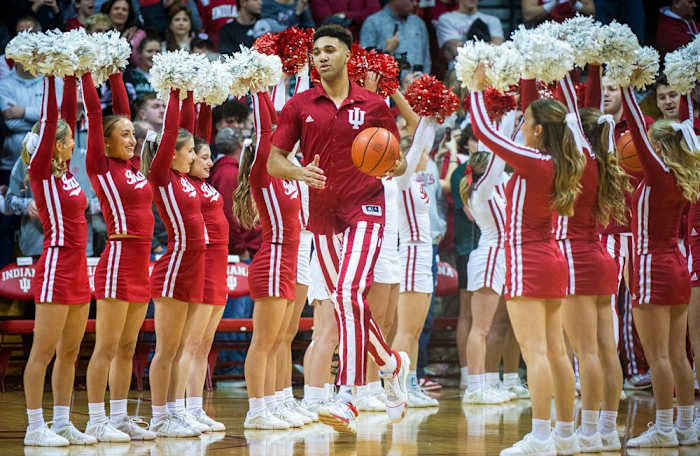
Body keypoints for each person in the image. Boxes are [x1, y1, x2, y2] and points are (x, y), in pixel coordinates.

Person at [268, 24, 410, 433]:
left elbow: (396, 159)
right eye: (316, 51)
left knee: (349, 292)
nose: (322, 56)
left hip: (366, 207)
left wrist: (391, 163)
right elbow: (275, 160)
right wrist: (299, 171)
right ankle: (391, 363)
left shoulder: (373, 104)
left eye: (330, 50)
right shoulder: (298, 105)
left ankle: (346, 394)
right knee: (347, 302)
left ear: (348, 56)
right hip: (323, 215)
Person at [469, 63, 584, 455]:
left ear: (537, 130)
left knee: (536, 352)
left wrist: (474, 85)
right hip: (553, 258)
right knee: (556, 351)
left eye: (525, 120)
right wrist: (528, 77)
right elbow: (530, 113)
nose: (521, 124)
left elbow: (484, 133)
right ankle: (566, 436)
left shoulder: (534, 162)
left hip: (526, 260)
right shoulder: (556, 159)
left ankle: (539, 437)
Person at [620, 83, 700, 448]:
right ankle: (686, 425)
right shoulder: (684, 175)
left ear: (659, 147)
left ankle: (664, 429)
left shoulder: (659, 174)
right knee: (679, 355)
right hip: (678, 265)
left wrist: (623, 84)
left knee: (659, 357)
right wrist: (683, 91)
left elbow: (635, 124)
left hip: (652, 266)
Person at [80, 70, 157, 442]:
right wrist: (92, 74)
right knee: (107, 346)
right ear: (105, 142)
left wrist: (115, 71)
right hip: (118, 260)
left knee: (129, 346)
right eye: (124, 134)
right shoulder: (101, 165)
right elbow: (98, 115)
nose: (132, 139)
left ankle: (119, 416)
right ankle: (96, 420)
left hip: (142, 263)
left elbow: (123, 108)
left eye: (133, 133)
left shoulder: (133, 167)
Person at [554, 74, 629, 452]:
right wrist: (594, 70)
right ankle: (606, 429)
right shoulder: (604, 160)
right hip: (602, 256)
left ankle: (585, 431)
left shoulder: (579, 160)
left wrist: (563, 70)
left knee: (583, 352)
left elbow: (570, 114)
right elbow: (583, 113)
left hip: (575, 256)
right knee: (604, 350)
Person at [22, 75, 95, 447]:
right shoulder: (40, 175)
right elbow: (53, 120)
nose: (71, 143)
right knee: (44, 351)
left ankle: (62, 421)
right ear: (54, 145)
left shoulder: (65, 175)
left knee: (70, 351)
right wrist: (52, 73)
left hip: (79, 267)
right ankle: (35, 427)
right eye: (66, 140)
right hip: (55, 267)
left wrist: (71, 79)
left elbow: (65, 114)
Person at [140, 87, 205, 438]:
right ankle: (159, 416)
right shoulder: (163, 176)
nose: (195, 155)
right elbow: (169, 136)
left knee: (182, 348)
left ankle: (176, 411)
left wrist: (191, 93)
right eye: (190, 151)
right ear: (173, 154)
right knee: (166, 350)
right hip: (174, 268)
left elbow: (190, 130)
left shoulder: (187, 179)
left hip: (194, 270)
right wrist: (176, 92)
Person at [234, 90, 301, 429]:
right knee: (263, 342)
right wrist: (260, 86)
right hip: (272, 260)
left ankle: (273, 403)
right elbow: (265, 129)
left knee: (278, 340)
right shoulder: (265, 174)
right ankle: (256, 410)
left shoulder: (288, 175)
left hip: (287, 264)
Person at [181, 102, 228, 432]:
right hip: (200, 264)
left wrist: (207, 101)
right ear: (187, 157)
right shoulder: (182, 183)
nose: (210, 162)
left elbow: (201, 133)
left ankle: (195, 408)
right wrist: (187, 100)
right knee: (190, 343)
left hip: (219, 267)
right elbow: (187, 134)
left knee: (204, 345)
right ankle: (179, 407)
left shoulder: (206, 184)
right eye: (204, 156)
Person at [459, 145, 512, 405]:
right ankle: (474, 387)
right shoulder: (482, 191)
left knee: (488, 327)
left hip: (497, 258)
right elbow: (500, 160)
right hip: (489, 257)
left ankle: (486, 383)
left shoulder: (489, 189)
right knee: (479, 328)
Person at [209, 127, 261, 259]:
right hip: (246, 251)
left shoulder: (226, 170)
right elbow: (229, 215)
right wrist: (239, 249)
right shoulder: (228, 174)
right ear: (240, 143)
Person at [360, 0, 431, 74]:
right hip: (386, 82)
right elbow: (366, 62)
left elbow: (426, 60)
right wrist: (388, 51)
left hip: (418, 82)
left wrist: (425, 81)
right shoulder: (372, 23)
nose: (415, 4)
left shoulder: (418, 23)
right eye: (411, 0)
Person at [436, 0, 504, 61]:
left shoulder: (493, 20)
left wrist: (465, 46)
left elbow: (497, 47)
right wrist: (487, 46)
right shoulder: (446, 19)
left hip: (490, 67)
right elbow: (456, 50)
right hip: (459, 68)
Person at [100, 0, 147, 68]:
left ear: (129, 14)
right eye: (116, 8)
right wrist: (123, 40)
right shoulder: (100, 31)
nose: (120, 12)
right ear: (109, 11)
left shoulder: (138, 34)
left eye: (124, 9)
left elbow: (138, 63)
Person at [310, 0, 380, 40]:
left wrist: (345, 15)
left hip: (363, 40)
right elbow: (326, 20)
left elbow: (374, 12)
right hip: (333, 42)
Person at [124, 36, 161, 101]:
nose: (154, 55)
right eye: (149, 51)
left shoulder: (165, 77)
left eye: (158, 51)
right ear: (139, 53)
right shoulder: (129, 76)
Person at [521, 0, 594, 25]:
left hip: (573, 35)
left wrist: (575, 4)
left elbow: (592, 13)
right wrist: (554, 3)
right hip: (543, 37)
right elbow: (528, 16)